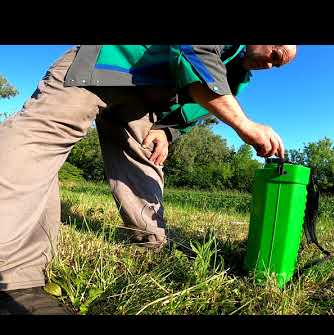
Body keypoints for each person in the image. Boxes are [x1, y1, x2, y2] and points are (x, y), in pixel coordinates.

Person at [0, 45, 297, 314]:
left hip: (143, 101)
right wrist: (245, 125)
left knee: (146, 159)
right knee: (34, 143)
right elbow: (195, 54)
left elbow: (192, 109)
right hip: (109, 62)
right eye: (275, 54)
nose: (271, 65)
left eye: (278, 65)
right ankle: (15, 279)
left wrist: (167, 131)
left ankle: (149, 243)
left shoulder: (236, 77)